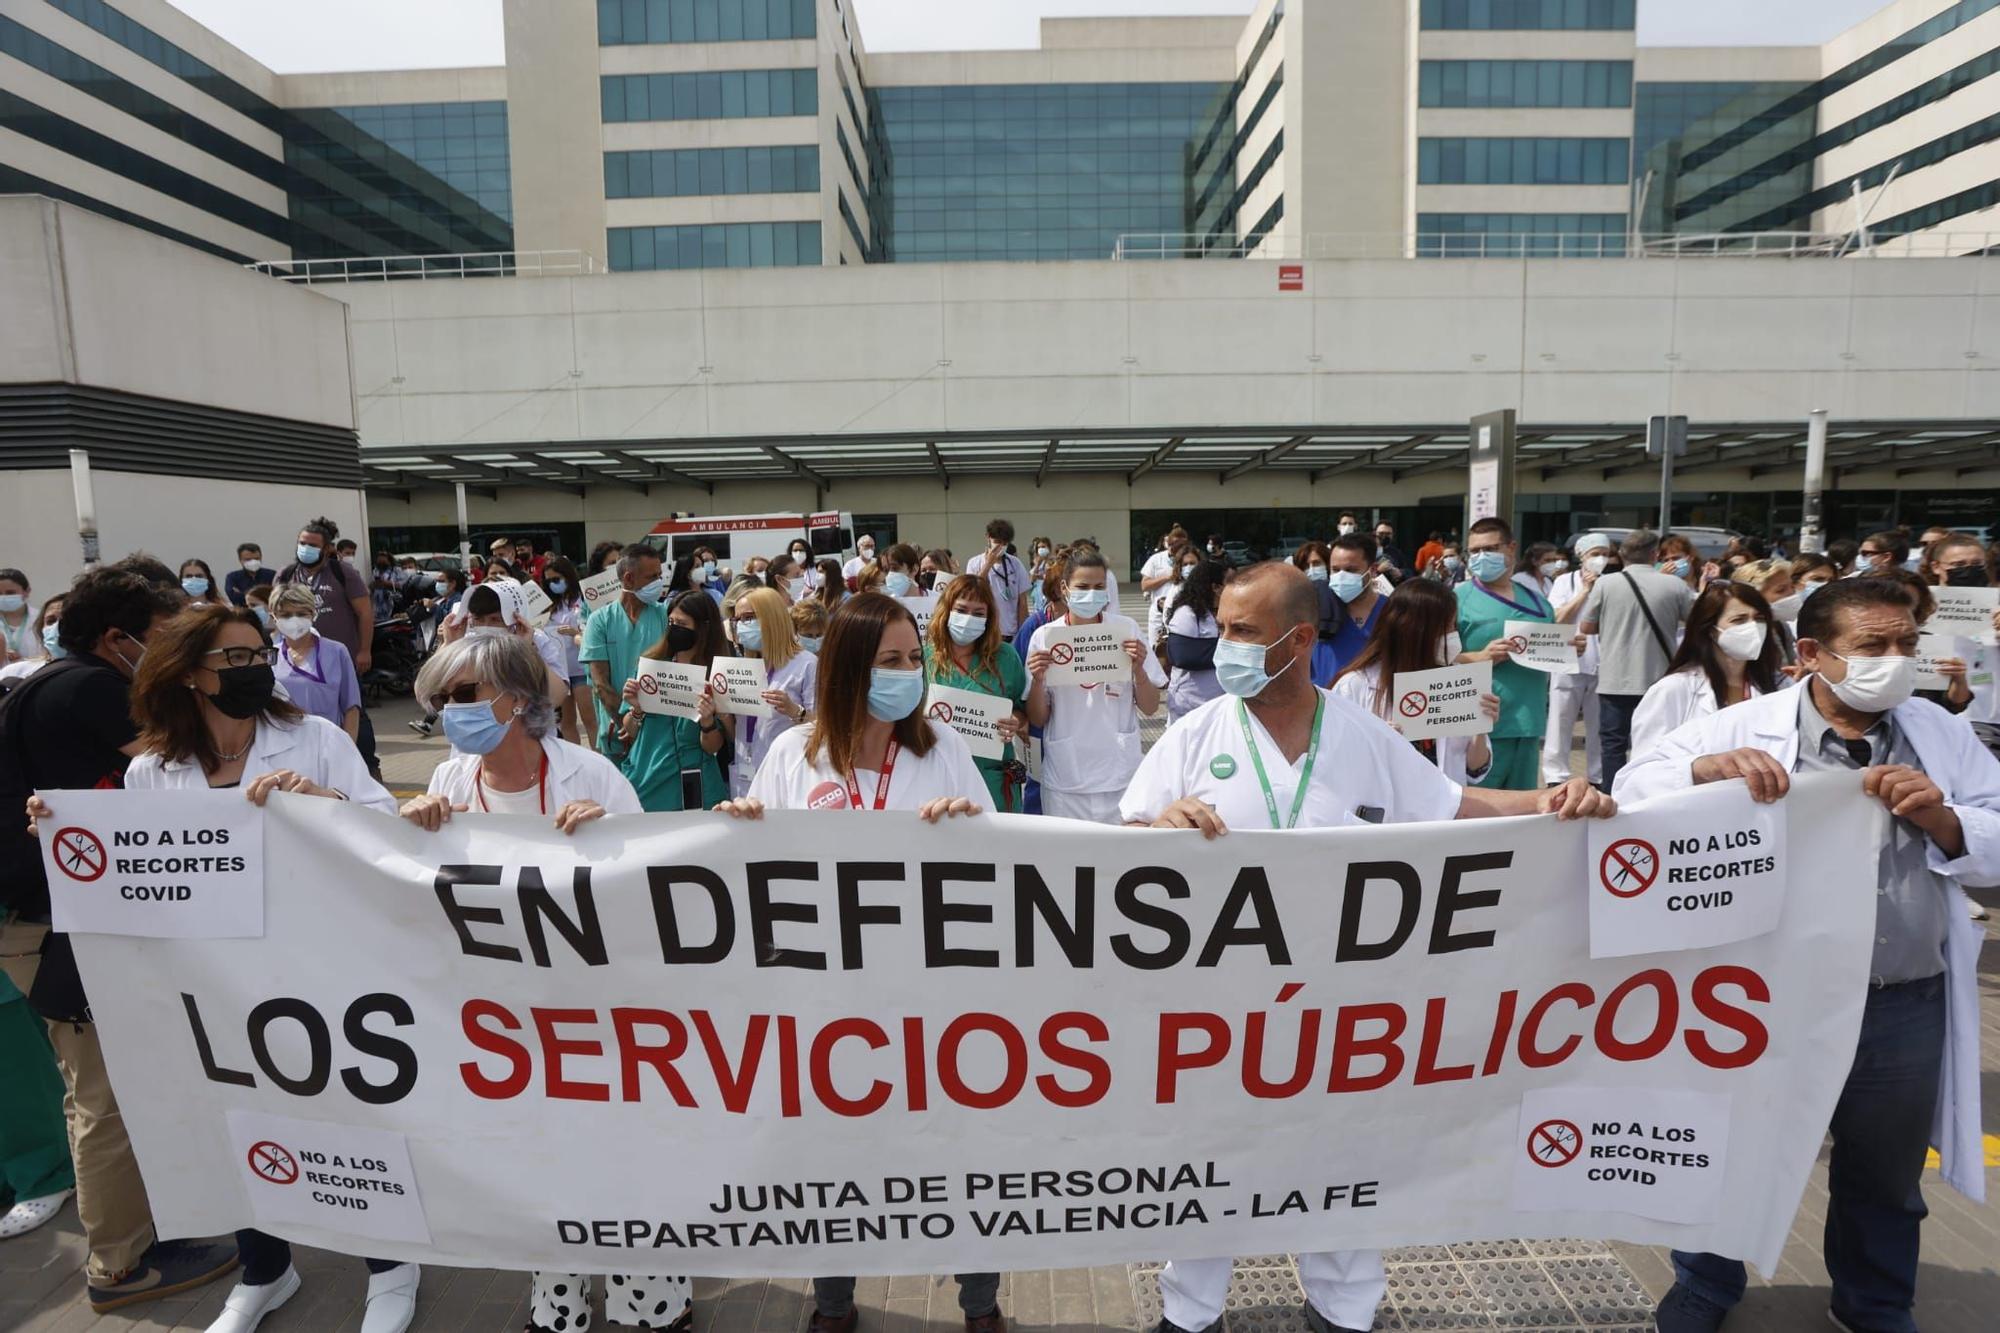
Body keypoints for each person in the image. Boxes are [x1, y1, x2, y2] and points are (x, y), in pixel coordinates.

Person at [1122, 563, 1613, 1333]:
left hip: (1341, 1015)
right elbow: (1115, 853)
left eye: (1244, 632)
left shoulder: (1359, 735)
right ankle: (1191, 1314)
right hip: (1217, 1012)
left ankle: (1344, 1311)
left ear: (1301, 638)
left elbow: (1451, 807)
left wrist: (1552, 801)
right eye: (1222, 628)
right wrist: (1155, 830)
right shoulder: (1192, 735)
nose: (1225, 646)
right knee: (1207, 1167)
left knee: (1339, 1165)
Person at [1617, 578, 1991, 1333]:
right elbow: (1631, 788)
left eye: (1907, 645)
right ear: (1815, 655)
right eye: (1873, 647)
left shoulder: (1940, 735)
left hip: (1899, 999)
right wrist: (1699, 774)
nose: (1896, 661)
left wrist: (1945, 819)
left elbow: (1993, 831)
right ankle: (1706, 1282)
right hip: (1763, 996)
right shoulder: (1739, 727)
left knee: (1885, 1173)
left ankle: (1874, 1302)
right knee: (1731, 1150)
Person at [44, 605, 414, 1333]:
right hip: (216, 984)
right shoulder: (153, 769)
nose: (253, 670)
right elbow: (135, 869)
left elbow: (389, 831)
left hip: (319, 969)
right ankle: (266, 1268)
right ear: (187, 673)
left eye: (258, 655)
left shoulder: (312, 740)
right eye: (233, 659)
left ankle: (392, 1263)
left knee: (349, 1116)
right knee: (236, 1122)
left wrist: (330, 804)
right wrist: (59, 827)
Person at [711, 592, 998, 1333]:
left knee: (955, 1159)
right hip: (828, 1007)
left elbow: (1000, 869)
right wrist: (736, 833)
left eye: (913, 660)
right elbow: (757, 877)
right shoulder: (791, 754)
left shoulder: (945, 752)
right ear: (844, 668)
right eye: (889, 661)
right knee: (832, 1158)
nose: (908, 675)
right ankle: (833, 1301)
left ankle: (980, 1301)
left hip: (933, 1004)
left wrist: (971, 833)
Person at [398, 635, 681, 1333]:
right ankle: (556, 1303)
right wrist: (412, 838)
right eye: (442, 698)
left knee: (621, 1159)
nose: (450, 711)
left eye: (463, 694)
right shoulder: (449, 783)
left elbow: (655, 890)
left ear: (517, 698)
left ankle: (650, 1303)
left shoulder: (591, 775)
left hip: (601, 1014)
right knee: (538, 1162)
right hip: (507, 1021)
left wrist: (613, 837)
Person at [0, 569, 240, 1312]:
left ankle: (141, 1229)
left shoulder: (54, 686)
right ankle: (117, 1266)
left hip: (56, 917)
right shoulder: (89, 690)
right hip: (55, 928)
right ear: (118, 639)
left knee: (114, 1087)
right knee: (101, 1095)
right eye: (168, 637)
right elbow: (197, 764)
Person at [1025, 549, 1164, 823]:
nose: (1091, 594)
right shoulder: (1045, 637)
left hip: (1119, 777)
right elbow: (1038, 717)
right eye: (1083, 587)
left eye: (1099, 587)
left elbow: (1150, 708)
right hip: (1067, 779)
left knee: (1120, 858)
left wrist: (1139, 671)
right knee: (1069, 860)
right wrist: (1039, 680)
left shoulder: (1126, 631)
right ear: (1065, 588)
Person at [1332, 578, 1497, 786]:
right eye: (1445, 628)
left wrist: (1479, 728)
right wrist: (1376, 743)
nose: (1453, 636)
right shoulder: (1354, 686)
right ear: (1415, 632)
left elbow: (1475, 771)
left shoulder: (1462, 682)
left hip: (1445, 812)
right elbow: (1336, 764)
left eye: (1454, 626)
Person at [1452, 518, 1562, 790]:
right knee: (1480, 811)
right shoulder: (1456, 599)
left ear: (1511, 548)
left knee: (1522, 813)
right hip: (1481, 725)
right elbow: (1436, 661)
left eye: (1489, 548)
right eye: (1474, 551)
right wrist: (1481, 657)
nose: (1480, 557)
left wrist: (1571, 647)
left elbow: (1552, 650)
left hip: (1528, 722)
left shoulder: (1538, 602)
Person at [1580, 529, 1696, 787]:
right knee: (1658, 743)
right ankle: (1652, 792)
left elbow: (1587, 628)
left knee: (1613, 744)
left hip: (1614, 679)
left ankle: (1613, 797)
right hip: (1660, 679)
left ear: (1621, 555)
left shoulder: (1605, 584)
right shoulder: (1676, 585)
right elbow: (1696, 622)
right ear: (1655, 554)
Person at [1631, 582, 1783, 757]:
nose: (1753, 627)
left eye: (1759, 619)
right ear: (1711, 630)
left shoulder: (1781, 685)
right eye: (1739, 620)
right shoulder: (1673, 690)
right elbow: (1644, 767)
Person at [275, 516, 377, 775]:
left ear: (327, 548)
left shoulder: (342, 573)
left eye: (311, 545)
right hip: (295, 657)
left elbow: (365, 612)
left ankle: (367, 768)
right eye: (301, 543)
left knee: (354, 712)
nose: (305, 549)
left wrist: (364, 650)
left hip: (337, 659)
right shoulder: (287, 574)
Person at [613, 591, 731, 812]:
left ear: (703, 628)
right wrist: (637, 709)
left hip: (695, 781)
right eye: (671, 622)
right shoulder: (650, 666)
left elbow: (713, 746)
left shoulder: (716, 676)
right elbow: (630, 730)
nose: (674, 628)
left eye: (682, 623)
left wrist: (707, 721)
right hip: (647, 776)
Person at [923, 573, 1029, 811]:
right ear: (946, 610)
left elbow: (1023, 710)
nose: (968, 619)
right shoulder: (923, 657)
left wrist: (1016, 722)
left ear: (989, 618)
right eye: (961, 610)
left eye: (978, 613)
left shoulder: (1005, 657)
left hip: (992, 775)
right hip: (938, 773)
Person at [727, 586, 817, 798]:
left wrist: (795, 711)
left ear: (771, 618)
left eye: (748, 618)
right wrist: (719, 710)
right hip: (745, 776)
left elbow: (824, 730)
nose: (741, 626)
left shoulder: (807, 664)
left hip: (786, 776)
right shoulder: (744, 667)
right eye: (737, 620)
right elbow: (738, 734)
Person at [581, 546, 670, 753]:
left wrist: (639, 724)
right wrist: (627, 724)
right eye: (652, 577)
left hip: (657, 734)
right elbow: (600, 684)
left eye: (660, 575)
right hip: (617, 733)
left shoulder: (664, 614)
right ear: (629, 579)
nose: (659, 582)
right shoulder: (600, 621)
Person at [1545, 533, 1609, 786]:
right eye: (1595, 554)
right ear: (1581, 556)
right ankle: (1555, 775)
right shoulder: (1564, 582)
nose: (1601, 559)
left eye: (1605, 553)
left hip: (1603, 661)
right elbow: (1557, 618)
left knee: (1598, 724)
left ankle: (1597, 775)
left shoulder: (1613, 582)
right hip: (1567, 659)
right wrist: (1585, 591)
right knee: (1560, 720)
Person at [268, 583, 362, 742]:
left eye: (301, 613)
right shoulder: (269, 657)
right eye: (285, 615)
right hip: (283, 746)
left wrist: (347, 749)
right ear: (274, 617)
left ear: (313, 614)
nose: (294, 620)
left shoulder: (336, 651)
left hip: (327, 744)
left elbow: (351, 708)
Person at [1319, 533, 1386, 685]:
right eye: (1335, 570)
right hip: (1327, 702)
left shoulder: (1392, 611)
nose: (1342, 577)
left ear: (1373, 570)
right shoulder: (1317, 610)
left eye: (1351, 570)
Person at [1164, 557, 1226, 722]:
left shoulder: (1225, 613)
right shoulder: (1187, 613)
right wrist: (1233, 651)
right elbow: (1182, 655)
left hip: (1221, 703)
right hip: (1190, 703)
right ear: (1215, 587)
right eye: (1229, 584)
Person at [540, 556, 593, 746]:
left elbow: (592, 629)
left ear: (568, 576)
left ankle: (598, 762)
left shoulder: (584, 598)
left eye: (556, 579)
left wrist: (576, 632)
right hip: (560, 670)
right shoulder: (547, 605)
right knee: (566, 722)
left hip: (581, 668)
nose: (553, 584)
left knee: (589, 719)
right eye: (548, 581)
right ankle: (575, 760)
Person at [0, 596, 66, 684]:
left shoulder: (88, 674)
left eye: (66, 621)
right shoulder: (14, 673)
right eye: (50, 621)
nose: (57, 628)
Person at [0, 569, 36, 665]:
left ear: (27, 591)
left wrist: (24, 661)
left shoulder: (39, 619)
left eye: (10, 593)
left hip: (33, 676)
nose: (3, 597)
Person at [224, 543, 274, 607]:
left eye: (256, 559)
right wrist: (263, 598)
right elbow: (234, 598)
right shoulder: (232, 577)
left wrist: (243, 594)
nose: (253, 562)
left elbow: (276, 597)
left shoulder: (272, 575)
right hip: (244, 614)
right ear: (240, 560)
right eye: (248, 559)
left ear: (261, 557)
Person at [1140, 527, 1188, 593]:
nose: (1178, 550)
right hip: (1160, 602)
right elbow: (1145, 586)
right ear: (1169, 544)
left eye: (1181, 546)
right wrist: (1167, 578)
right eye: (1175, 545)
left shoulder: (1191, 559)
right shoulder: (1156, 559)